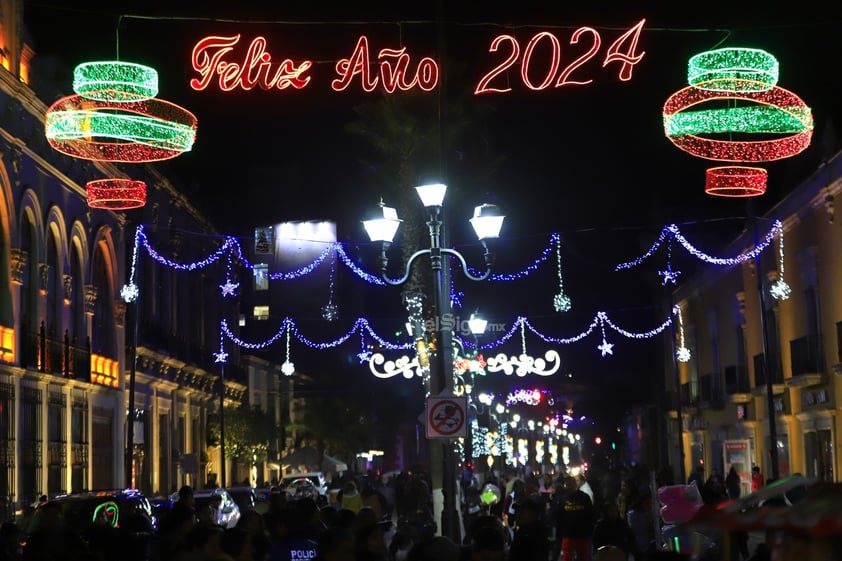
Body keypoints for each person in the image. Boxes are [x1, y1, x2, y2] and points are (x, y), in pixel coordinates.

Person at [557, 476, 595, 561]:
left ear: (575, 485)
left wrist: (589, 531)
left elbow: (591, 515)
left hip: (582, 534)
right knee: (567, 557)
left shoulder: (584, 497)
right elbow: (559, 516)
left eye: (570, 485)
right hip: (568, 534)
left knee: (583, 557)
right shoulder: (562, 499)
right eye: (567, 485)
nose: (568, 487)